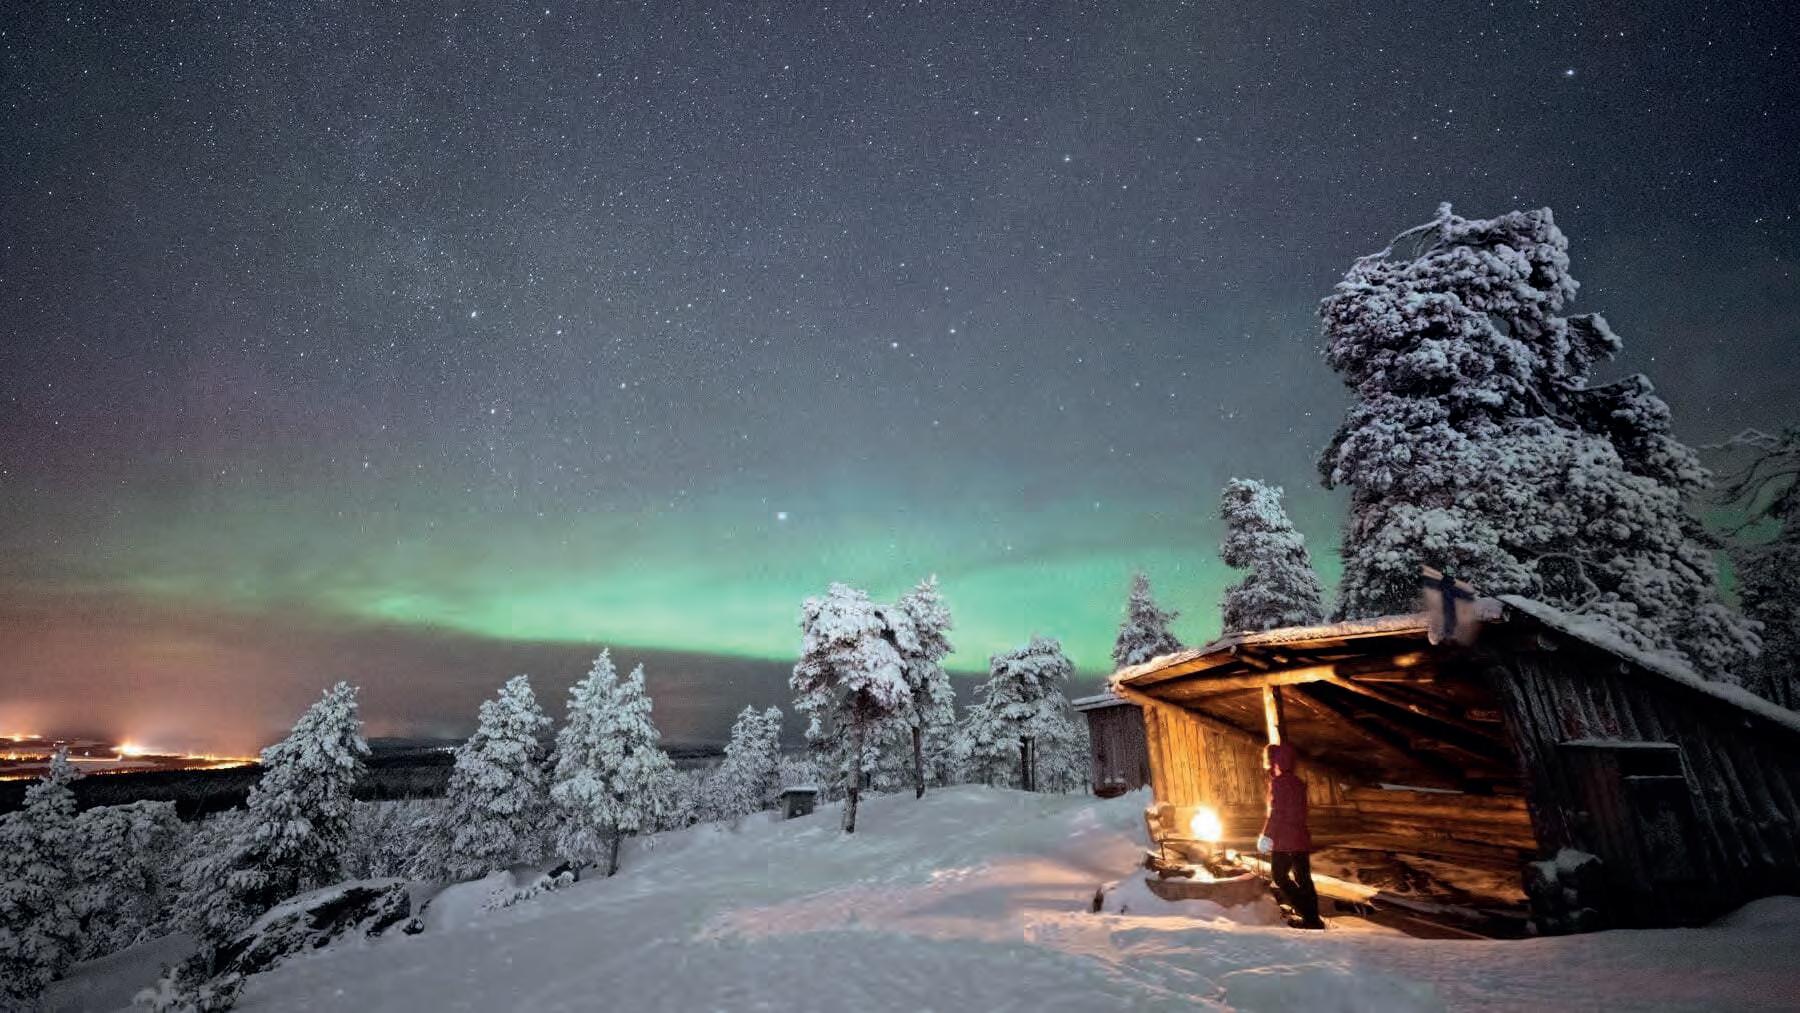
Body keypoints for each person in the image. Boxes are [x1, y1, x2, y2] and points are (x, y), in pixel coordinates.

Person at [1257, 742, 1324, 929]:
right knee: (1303, 879)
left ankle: (1309, 917)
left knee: (1280, 876)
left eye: (1269, 761)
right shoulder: (1298, 783)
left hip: (1284, 841)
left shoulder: (1279, 784)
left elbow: (1277, 813)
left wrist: (1267, 835)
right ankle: (1313, 919)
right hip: (1300, 839)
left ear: (1274, 762)